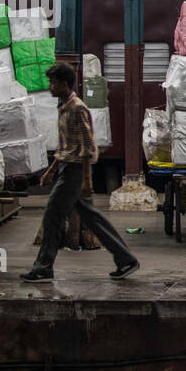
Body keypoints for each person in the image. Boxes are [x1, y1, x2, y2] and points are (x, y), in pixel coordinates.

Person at [21, 63, 139, 282]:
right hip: (67, 168)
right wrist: (50, 171)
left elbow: (87, 146)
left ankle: (43, 267)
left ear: (63, 83)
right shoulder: (63, 106)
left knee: (52, 216)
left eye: (53, 82)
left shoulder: (77, 108)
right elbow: (65, 145)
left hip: (75, 172)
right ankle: (126, 259)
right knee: (92, 219)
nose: (50, 87)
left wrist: (86, 180)